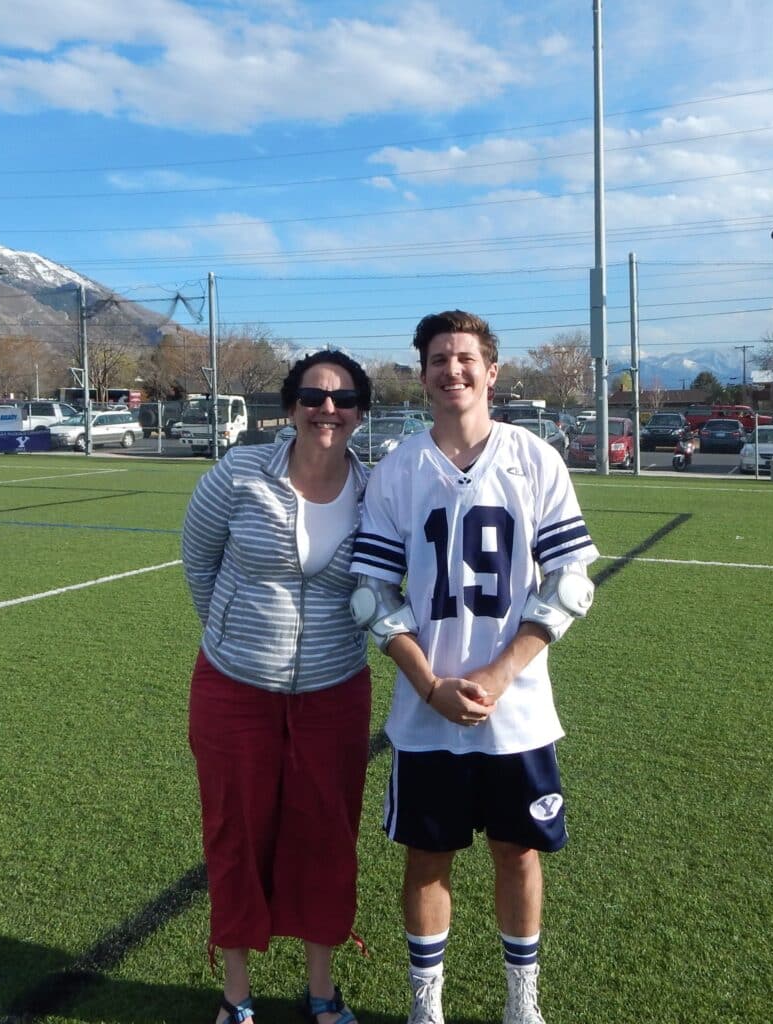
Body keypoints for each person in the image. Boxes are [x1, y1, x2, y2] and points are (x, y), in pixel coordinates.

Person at [349, 311, 598, 1024]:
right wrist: (429, 682)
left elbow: (570, 582)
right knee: (427, 857)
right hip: (425, 714)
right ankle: (427, 1007)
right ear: (422, 374)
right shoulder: (399, 468)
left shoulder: (534, 458)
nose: (451, 370)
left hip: (514, 710)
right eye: (437, 359)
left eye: (465, 358)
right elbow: (372, 592)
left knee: (519, 854)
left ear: (492, 371)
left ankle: (523, 1003)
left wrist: (497, 675)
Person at [183, 350, 373, 1024]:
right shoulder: (238, 474)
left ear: (360, 411)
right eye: (314, 397)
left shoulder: (375, 490)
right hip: (234, 691)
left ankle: (321, 990)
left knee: (327, 836)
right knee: (235, 832)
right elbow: (199, 563)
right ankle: (236, 995)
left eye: (344, 398)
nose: (329, 409)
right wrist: (239, 641)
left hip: (335, 693)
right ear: (289, 406)